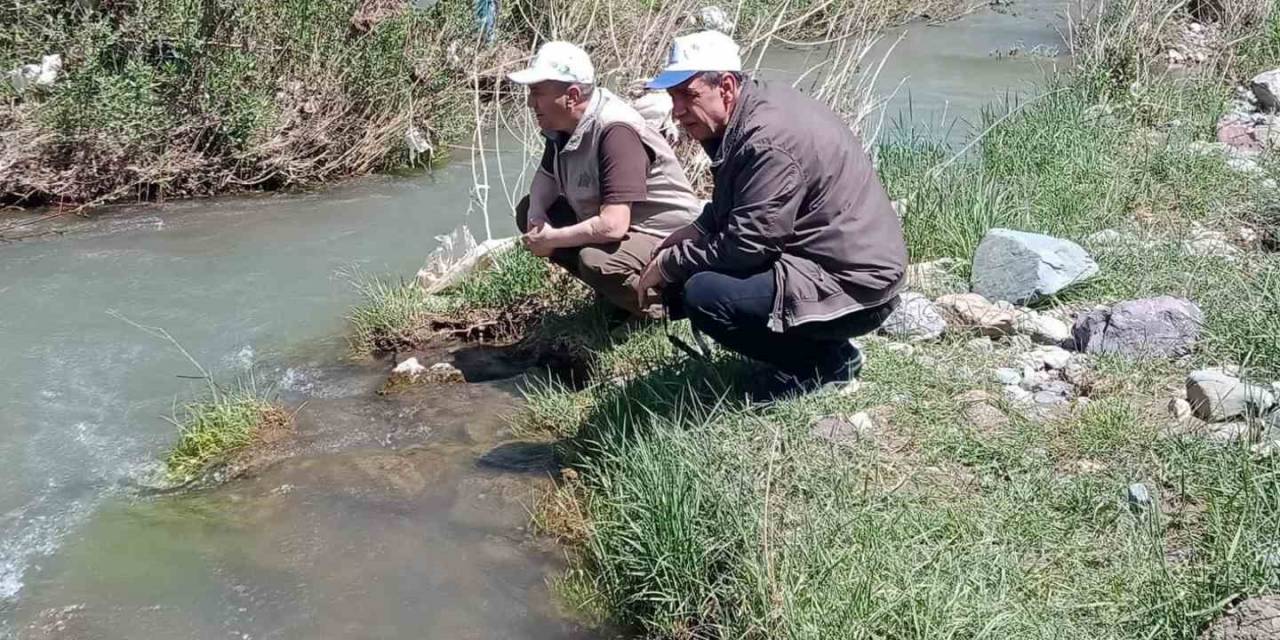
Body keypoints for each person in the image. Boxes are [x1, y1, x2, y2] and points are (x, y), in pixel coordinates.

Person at [633, 30, 908, 396]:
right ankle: (820, 350)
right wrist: (697, 229)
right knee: (692, 272)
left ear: (726, 87)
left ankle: (823, 366)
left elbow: (748, 246)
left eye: (689, 95)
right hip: (840, 262)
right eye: (673, 97)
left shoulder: (766, 139)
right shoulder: (750, 109)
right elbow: (747, 201)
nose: (678, 111)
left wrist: (671, 264)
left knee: (703, 294)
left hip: (858, 288)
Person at [507, 41, 702, 318]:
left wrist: (552, 238)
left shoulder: (615, 131)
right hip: (625, 228)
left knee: (596, 261)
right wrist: (538, 217)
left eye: (537, 93)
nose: (530, 103)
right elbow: (547, 176)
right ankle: (618, 296)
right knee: (528, 209)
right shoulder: (563, 125)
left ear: (572, 96)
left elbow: (612, 226)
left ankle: (670, 309)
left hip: (667, 235)